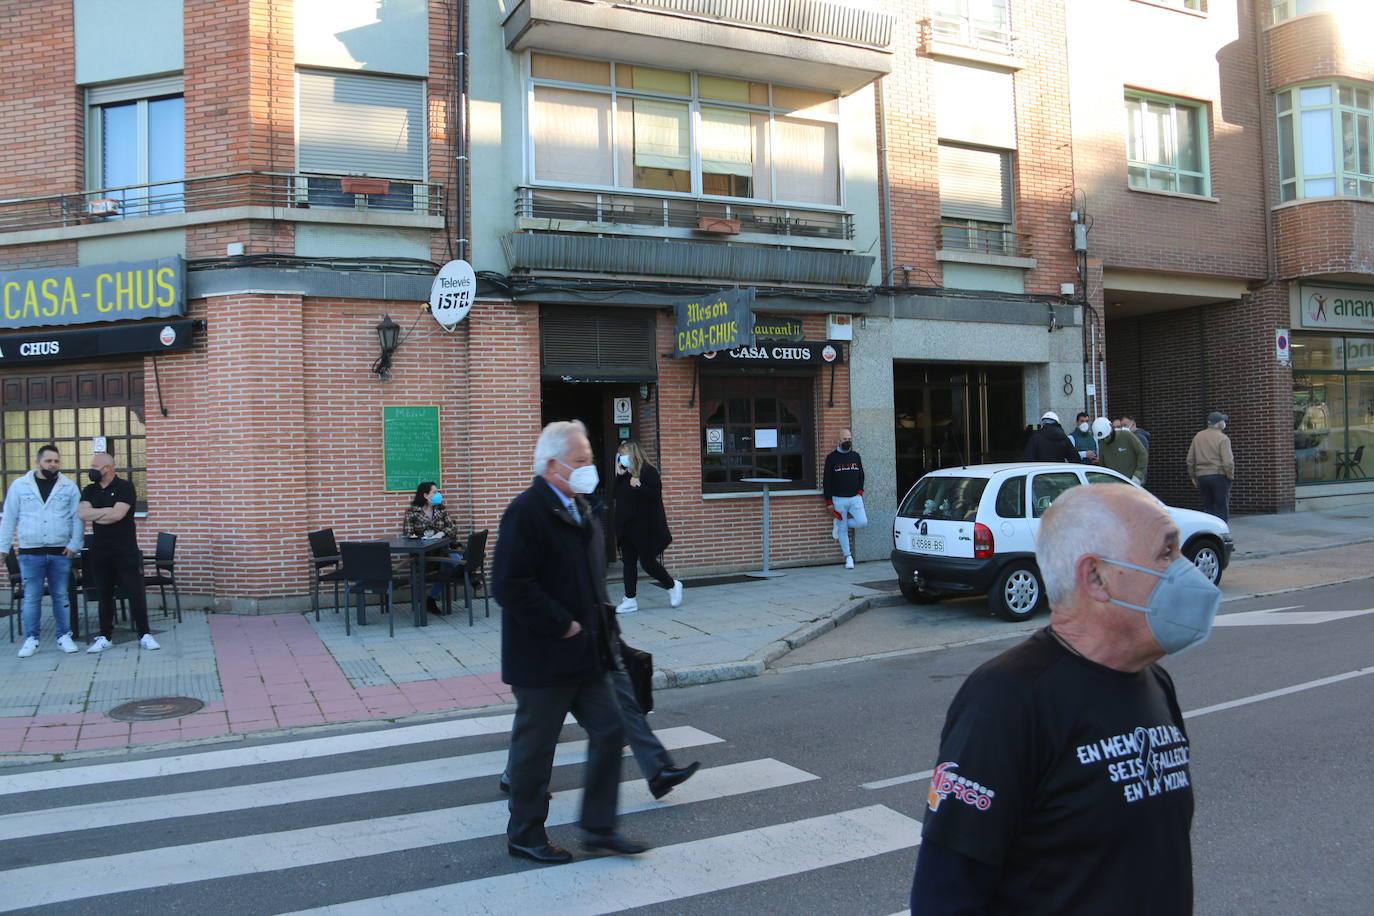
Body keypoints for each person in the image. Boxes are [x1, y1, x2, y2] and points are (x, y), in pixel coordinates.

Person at [910, 484, 1220, 914]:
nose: (1187, 571)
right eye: (1166, 554)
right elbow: (946, 893)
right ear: (1095, 576)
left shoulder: (1155, 681)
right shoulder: (1006, 699)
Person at [492, 420, 646, 865]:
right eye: (581, 461)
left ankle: (599, 829)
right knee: (535, 751)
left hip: (585, 654)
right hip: (542, 656)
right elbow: (508, 584)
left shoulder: (582, 508)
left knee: (611, 728)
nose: (589, 468)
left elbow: (589, 581)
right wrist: (562, 624)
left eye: (590, 460)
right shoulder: (527, 511)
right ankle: (524, 835)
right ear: (553, 465)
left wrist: (603, 627)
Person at [0, 444, 83, 658]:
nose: (53, 464)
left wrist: (74, 545)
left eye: (56, 461)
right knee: (32, 597)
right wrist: (3, 548)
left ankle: (64, 636)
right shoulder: (20, 486)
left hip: (60, 552)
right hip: (30, 552)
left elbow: (78, 518)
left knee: (60, 595)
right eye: (48, 461)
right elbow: (9, 517)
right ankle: (31, 639)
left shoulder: (69, 487)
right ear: (38, 462)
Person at [78, 452, 158, 652]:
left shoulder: (125, 487)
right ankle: (105, 636)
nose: (91, 469)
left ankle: (145, 634)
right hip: (100, 550)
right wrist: (107, 512)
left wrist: (98, 514)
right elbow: (82, 514)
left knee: (135, 592)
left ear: (108, 468)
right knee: (104, 594)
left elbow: (118, 514)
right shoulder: (89, 490)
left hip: (125, 549)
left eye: (94, 466)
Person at [611, 440, 684, 614]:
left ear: (634, 454)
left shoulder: (648, 471)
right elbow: (615, 494)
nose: (622, 457)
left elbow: (654, 495)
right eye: (620, 454)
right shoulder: (623, 474)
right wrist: (620, 474)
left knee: (647, 563)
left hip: (644, 526)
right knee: (628, 563)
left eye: (625, 454)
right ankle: (630, 599)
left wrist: (639, 485)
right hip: (626, 526)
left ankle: (672, 585)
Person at [403, 481, 462, 615]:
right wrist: (421, 537)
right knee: (456, 562)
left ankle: (432, 599)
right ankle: (471, 577)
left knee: (453, 561)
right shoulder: (412, 512)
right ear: (425, 495)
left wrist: (442, 533)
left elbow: (452, 527)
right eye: (434, 492)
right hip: (423, 555)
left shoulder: (441, 509)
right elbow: (408, 534)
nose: (438, 494)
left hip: (442, 551)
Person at [822, 428, 867, 569]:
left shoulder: (855, 456)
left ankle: (841, 523)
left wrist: (860, 491)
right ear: (838, 440)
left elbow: (861, 475)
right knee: (842, 530)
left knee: (862, 522)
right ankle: (848, 557)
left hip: (855, 498)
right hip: (838, 500)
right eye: (844, 439)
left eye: (849, 439)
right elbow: (827, 481)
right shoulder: (831, 458)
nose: (847, 442)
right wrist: (829, 502)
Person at [1187, 411, 1234, 521]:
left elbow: (1190, 459)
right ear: (1219, 424)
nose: (1224, 423)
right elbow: (1228, 462)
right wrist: (1230, 475)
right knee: (1221, 507)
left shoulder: (1198, 436)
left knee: (1208, 508)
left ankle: (1211, 531)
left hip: (1202, 476)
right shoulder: (1223, 438)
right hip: (1219, 475)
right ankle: (1222, 533)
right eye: (1223, 421)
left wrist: (1193, 476)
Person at [1091, 417, 1148, 484]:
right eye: (1103, 439)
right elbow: (1103, 466)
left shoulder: (1126, 435)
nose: (1105, 440)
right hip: (1115, 484)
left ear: (1111, 429)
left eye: (1107, 437)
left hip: (1133, 481)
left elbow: (1142, 454)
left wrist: (1138, 475)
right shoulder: (1103, 445)